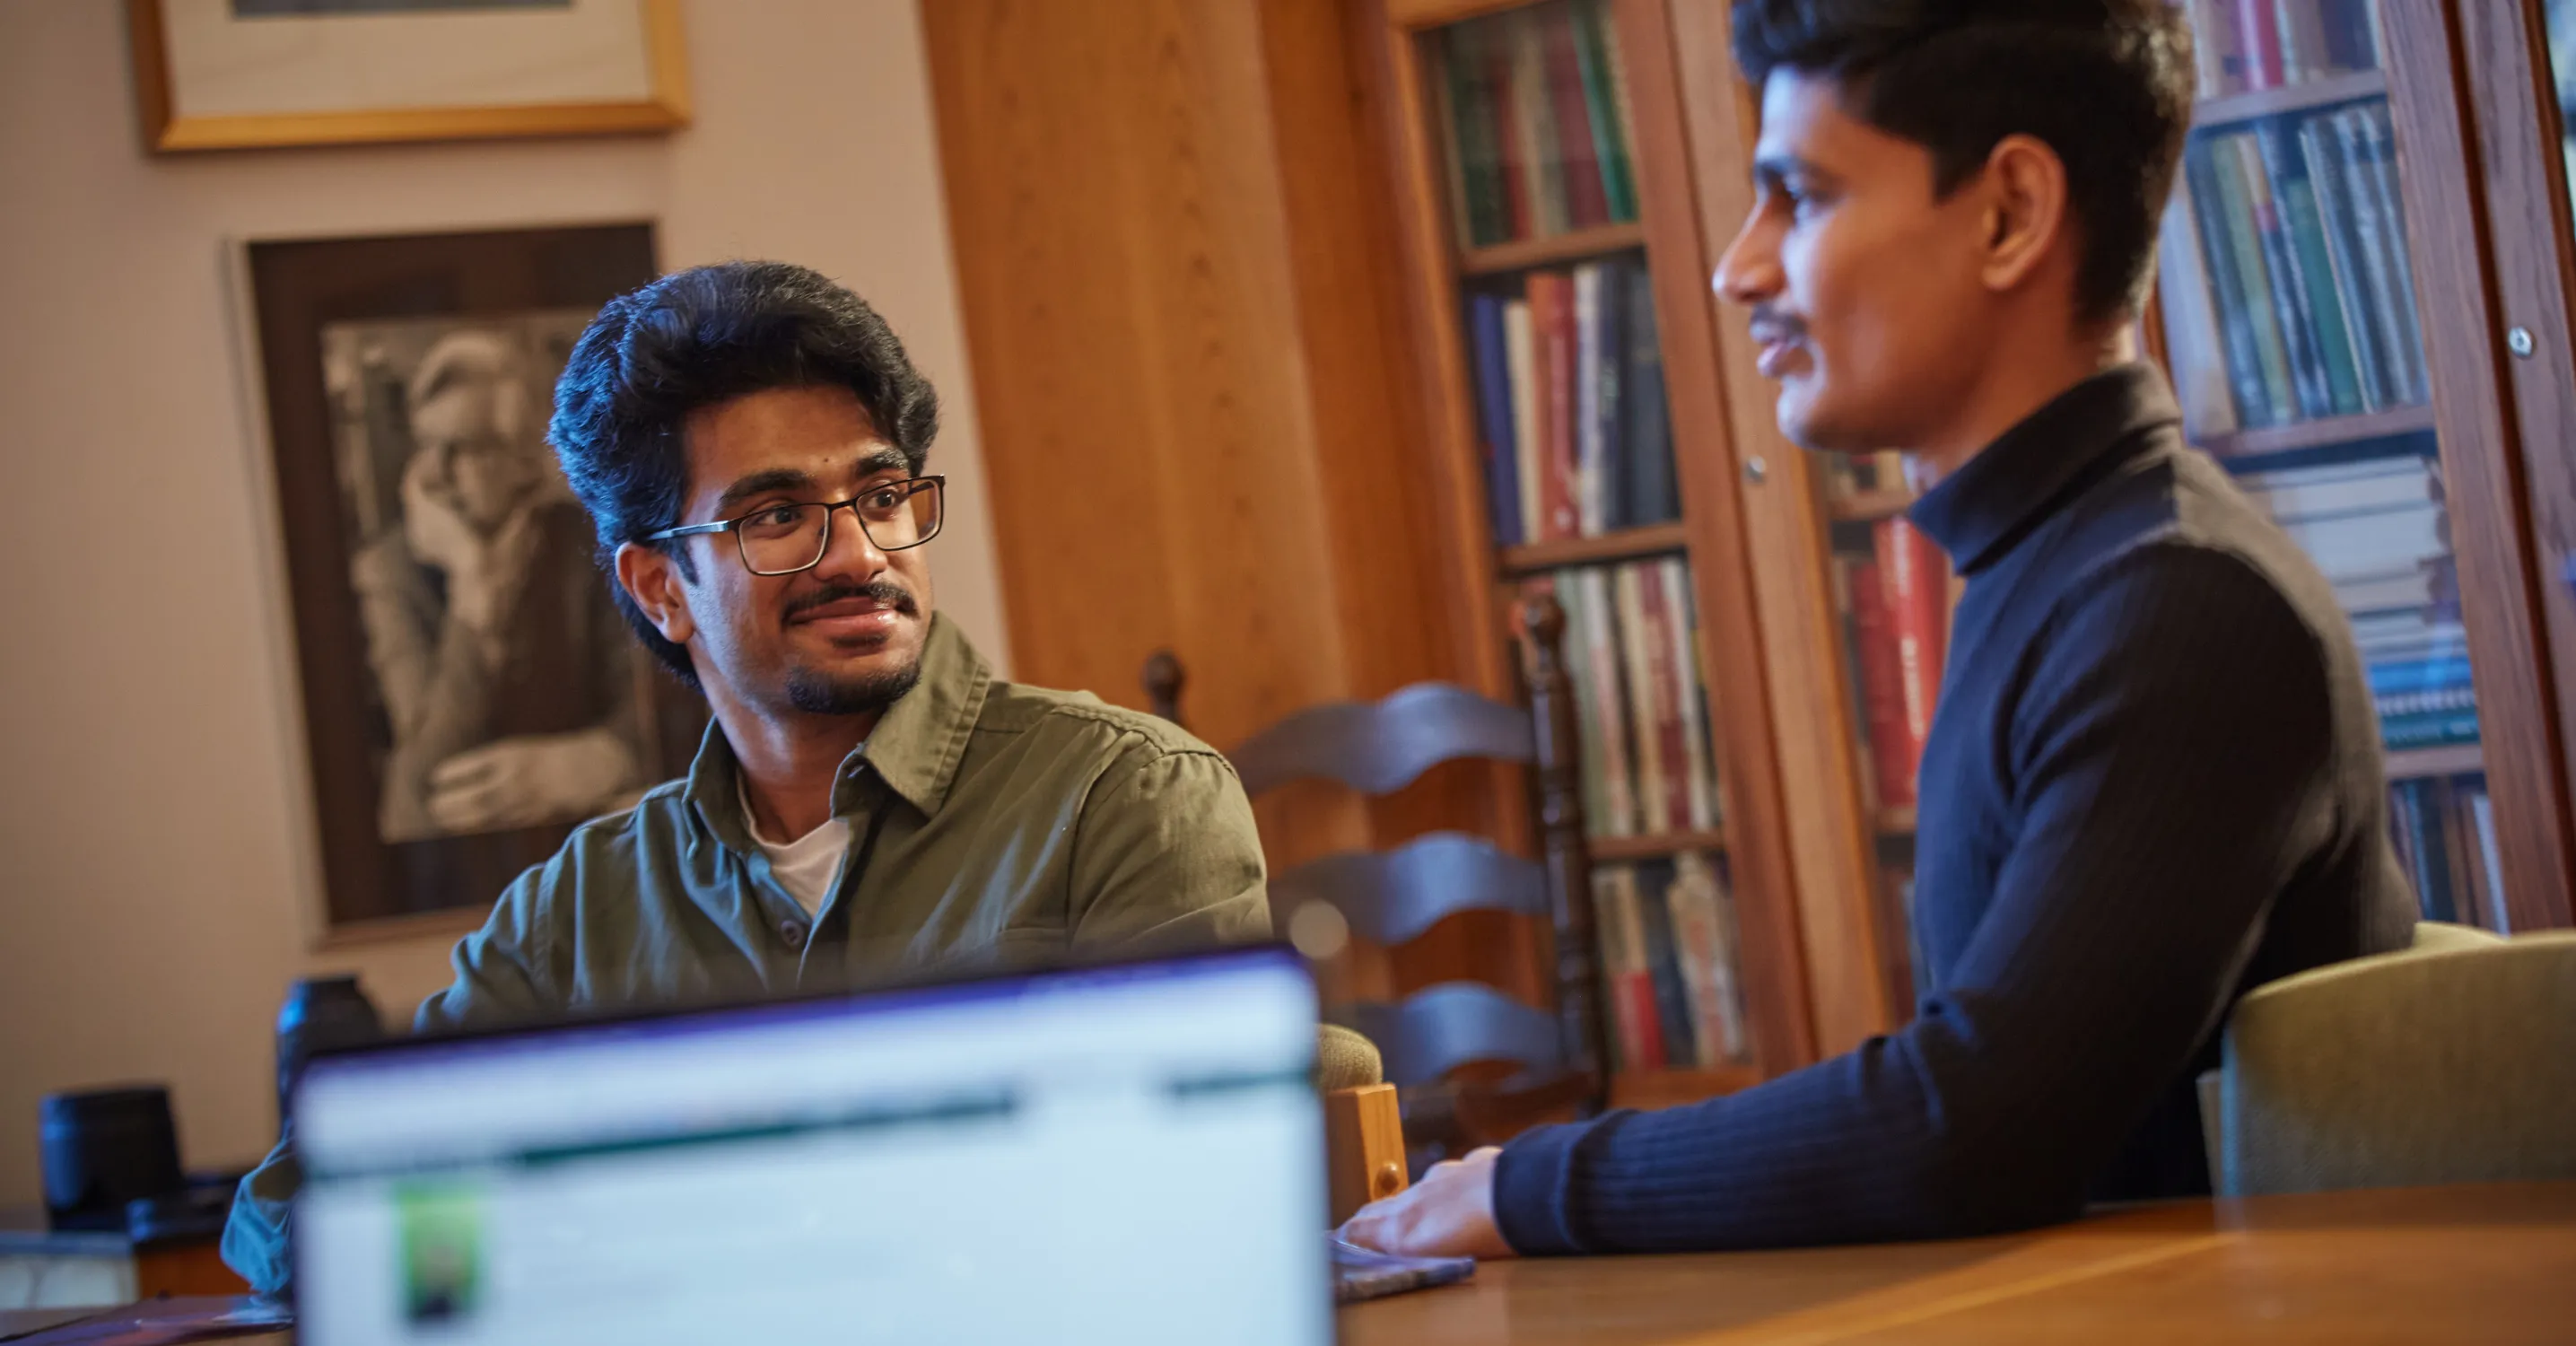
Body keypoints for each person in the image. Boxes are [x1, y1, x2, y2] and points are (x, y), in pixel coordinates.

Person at [1341, 0, 2415, 1258]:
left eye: (1797, 196)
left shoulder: (2179, 602)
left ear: (2009, 212)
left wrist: (1523, 1188)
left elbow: (1969, 1125)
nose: (1736, 267)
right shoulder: (2062, 565)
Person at [225, 262, 1272, 1290]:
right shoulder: (573, 918)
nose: (858, 553)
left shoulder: (1126, 798)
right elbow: (289, 1215)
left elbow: (1199, 1184)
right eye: (775, 517)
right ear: (658, 588)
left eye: (882, 493)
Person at [347, 328, 645, 841]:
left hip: (591, 838)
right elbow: (424, 779)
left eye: (466, 449)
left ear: (523, 460)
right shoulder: (387, 570)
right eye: (428, 447)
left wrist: (600, 760)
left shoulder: (593, 544)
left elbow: (659, 705)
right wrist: (472, 589)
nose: (436, 475)